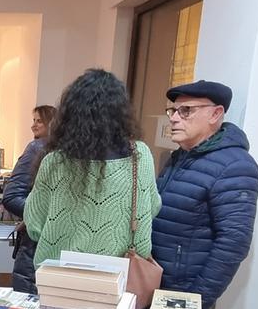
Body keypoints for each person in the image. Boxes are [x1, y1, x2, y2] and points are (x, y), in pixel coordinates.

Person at [24, 69, 160, 267]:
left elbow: (35, 224)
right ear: (122, 112)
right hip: (119, 276)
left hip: (59, 276)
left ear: (70, 112)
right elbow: (152, 207)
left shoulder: (55, 161)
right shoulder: (139, 156)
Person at [151, 80, 258, 309]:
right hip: (159, 286)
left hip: (184, 295)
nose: (173, 118)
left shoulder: (236, 166)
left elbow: (233, 243)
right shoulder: (180, 157)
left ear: (216, 114)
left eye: (186, 110)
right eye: (173, 110)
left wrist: (194, 301)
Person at [3, 104, 56, 294]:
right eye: (33, 121)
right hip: (35, 244)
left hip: (44, 248)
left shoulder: (67, 152)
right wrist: (43, 217)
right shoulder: (36, 148)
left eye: (39, 121)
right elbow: (12, 196)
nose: (34, 125)